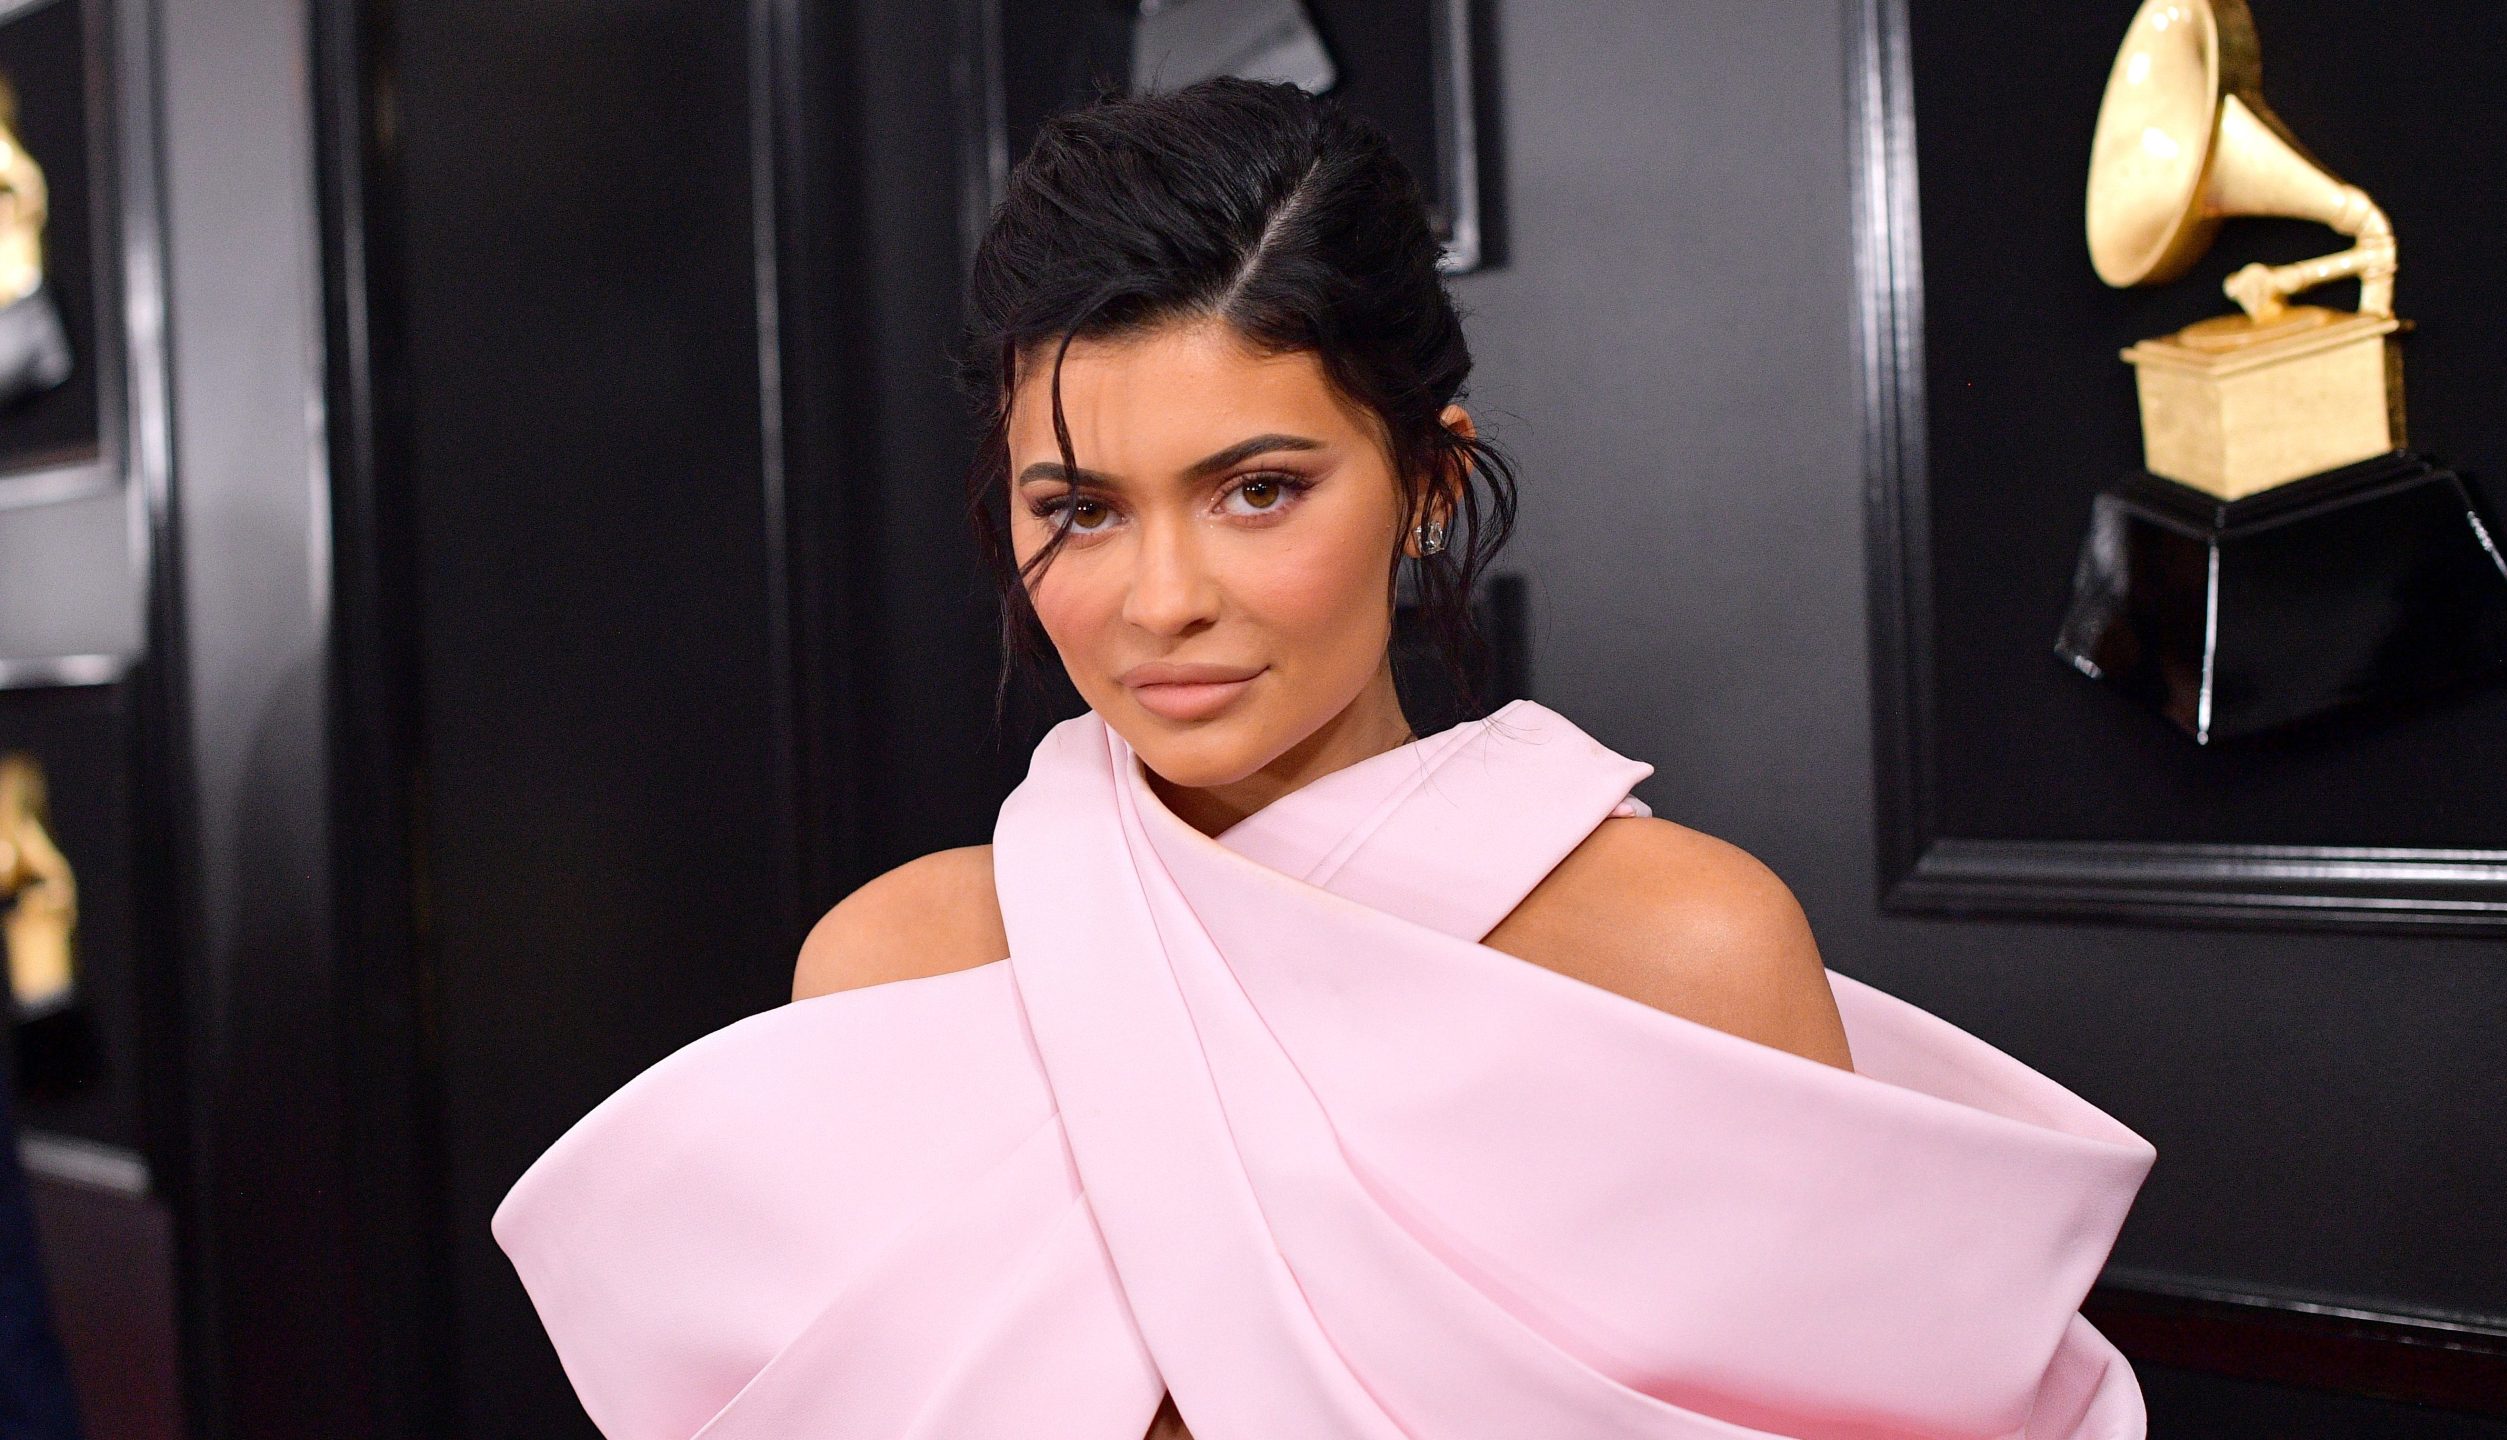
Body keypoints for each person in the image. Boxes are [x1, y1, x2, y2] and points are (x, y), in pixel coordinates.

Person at [494, 79, 2154, 1439]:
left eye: (1259, 489)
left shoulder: (1686, 950)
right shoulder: (890, 965)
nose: (1160, 602)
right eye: (1076, 509)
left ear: (1430, 481)